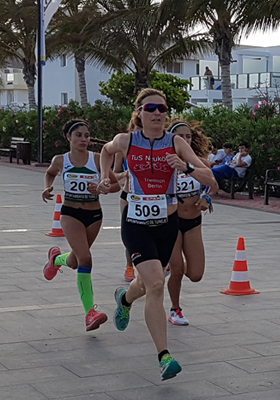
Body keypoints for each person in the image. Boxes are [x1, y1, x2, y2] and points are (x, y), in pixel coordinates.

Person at [97, 88, 217, 380]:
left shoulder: (175, 143)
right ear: (139, 112)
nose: (158, 114)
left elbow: (210, 180)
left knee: (146, 284)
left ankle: (124, 300)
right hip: (136, 223)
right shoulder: (127, 140)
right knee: (155, 284)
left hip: (166, 225)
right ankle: (164, 356)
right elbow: (105, 151)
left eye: (163, 109)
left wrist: (186, 167)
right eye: (151, 108)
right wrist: (105, 177)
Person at [42, 119, 120, 332]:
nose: (84, 139)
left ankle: (56, 259)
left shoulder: (97, 160)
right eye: (78, 135)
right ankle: (90, 313)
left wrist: (103, 189)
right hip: (70, 214)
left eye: (87, 135)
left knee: (77, 261)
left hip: (94, 215)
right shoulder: (60, 160)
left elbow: (115, 185)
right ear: (68, 137)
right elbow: (50, 173)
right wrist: (48, 188)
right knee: (86, 258)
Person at [165, 118, 218, 326]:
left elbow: (212, 185)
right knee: (177, 269)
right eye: (180, 136)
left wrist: (207, 198)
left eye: (188, 136)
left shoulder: (200, 162)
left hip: (193, 221)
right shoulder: (165, 163)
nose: (185, 139)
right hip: (172, 221)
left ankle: (169, 263)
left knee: (196, 274)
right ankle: (175, 309)